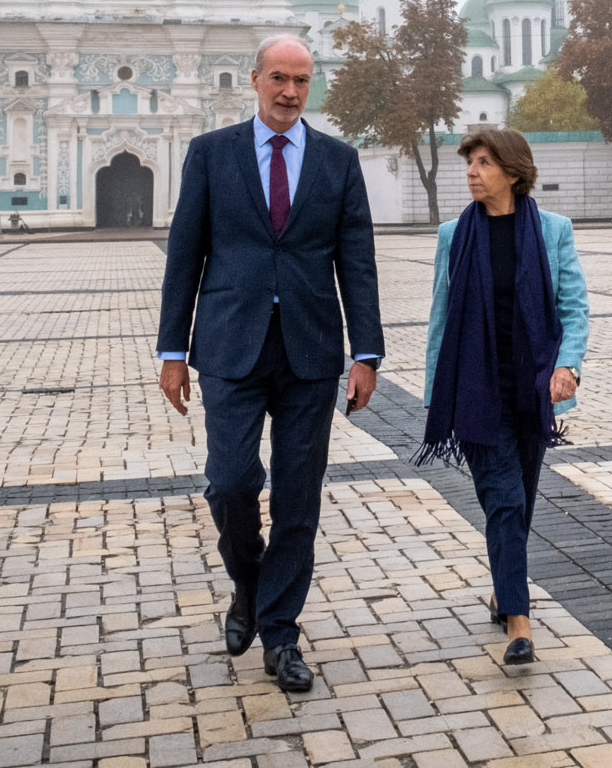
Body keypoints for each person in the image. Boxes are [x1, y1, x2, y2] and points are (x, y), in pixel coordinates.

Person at [157, 35, 382, 694]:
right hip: (230, 345)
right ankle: (250, 585)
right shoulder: (211, 153)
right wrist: (173, 351)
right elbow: (185, 254)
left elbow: (357, 261)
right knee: (229, 482)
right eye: (279, 77)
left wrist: (366, 352)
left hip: (310, 349)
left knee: (297, 497)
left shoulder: (338, 160)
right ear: (254, 78)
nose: (289, 91)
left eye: (301, 80)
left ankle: (281, 634)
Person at [421, 129, 589, 668]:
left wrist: (567, 365)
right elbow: (441, 317)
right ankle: (519, 622)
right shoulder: (454, 235)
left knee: (521, 502)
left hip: (533, 390)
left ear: (513, 173)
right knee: (506, 500)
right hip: (476, 390)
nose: (471, 171)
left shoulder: (553, 230)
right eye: (470, 162)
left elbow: (573, 308)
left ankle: (502, 586)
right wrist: (436, 393)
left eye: (483, 162)